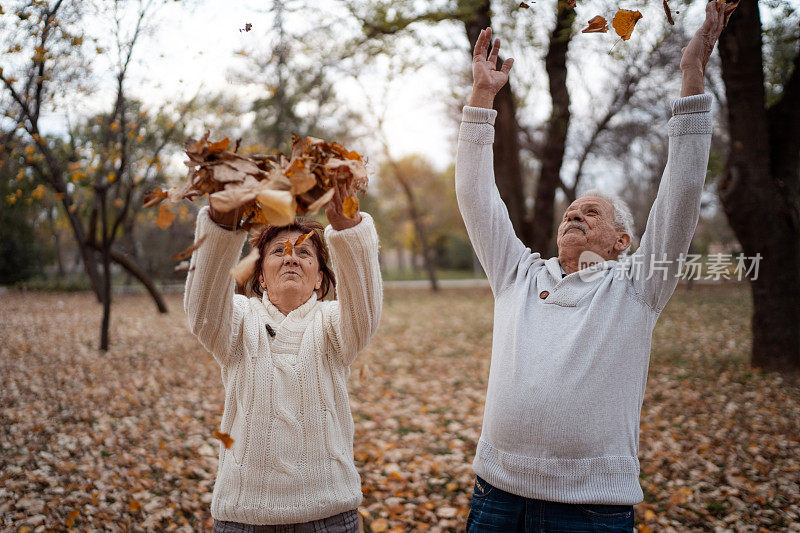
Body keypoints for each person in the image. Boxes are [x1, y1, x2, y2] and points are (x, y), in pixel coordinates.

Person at [455, 2, 737, 531]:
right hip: (497, 497)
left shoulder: (637, 286)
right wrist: (482, 97)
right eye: (570, 211)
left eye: (592, 212)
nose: (573, 215)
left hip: (590, 509)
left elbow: (678, 198)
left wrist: (692, 76)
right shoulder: (517, 274)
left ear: (622, 241)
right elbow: (475, 194)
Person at [183, 181, 382, 532]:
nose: (291, 256)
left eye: (304, 253)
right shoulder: (240, 319)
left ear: (320, 278)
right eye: (278, 251)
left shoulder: (333, 323)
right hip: (243, 517)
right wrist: (223, 222)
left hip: (330, 517)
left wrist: (347, 228)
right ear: (260, 275)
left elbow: (365, 314)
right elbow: (202, 313)